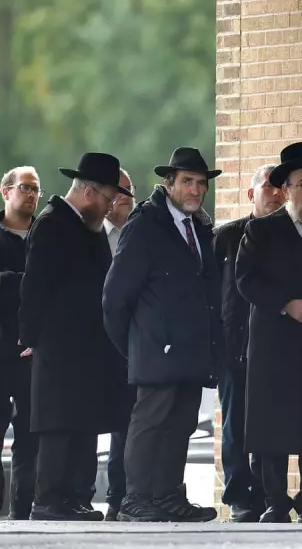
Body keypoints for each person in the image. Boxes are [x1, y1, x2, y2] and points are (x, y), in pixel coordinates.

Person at [103, 147, 223, 523]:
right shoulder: (145, 224)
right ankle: (136, 499)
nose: (196, 190)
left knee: (182, 424)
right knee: (151, 422)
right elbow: (115, 296)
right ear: (168, 183)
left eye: (201, 183)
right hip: (156, 349)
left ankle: (168, 496)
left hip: (191, 349)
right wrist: (136, 347)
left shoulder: (200, 227)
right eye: (187, 182)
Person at [19, 153, 133, 521]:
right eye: (107, 198)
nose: (109, 206)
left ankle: (75, 496)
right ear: (88, 192)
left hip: (89, 346)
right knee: (59, 421)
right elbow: (34, 286)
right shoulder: (53, 224)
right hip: (58, 343)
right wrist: (29, 335)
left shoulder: (91, 226)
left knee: (84, 420)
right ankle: (50, 498)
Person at [237, 142, 302, 522]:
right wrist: (286, 304)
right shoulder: (261, 230)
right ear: (286, 189)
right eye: (301, 184)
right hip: (275, 342)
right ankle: (276, 502)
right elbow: (245, 279)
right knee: (273, 426)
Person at [212, 164, 282, 522]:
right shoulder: (225, 236)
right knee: (235, 424)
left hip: (276, 346)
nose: (276, 192)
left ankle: (272, 496)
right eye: (268, 185)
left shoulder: (289, 236)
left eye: (280, 187)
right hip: (234, 343)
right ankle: (241, 498)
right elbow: (213, 292)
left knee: (271, 423)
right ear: (251, 194)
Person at [0, 166, 41, 520]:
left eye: (37, 190)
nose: (32, 195)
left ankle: (22, 513)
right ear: (6, 191)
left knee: (31, 439)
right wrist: (25, 280)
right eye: (26, 188)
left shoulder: (45, 236)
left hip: (33, 353)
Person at [100, 167, 137, 521]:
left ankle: (125, 497)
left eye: (131, 191)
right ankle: (113, 497)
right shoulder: (95, 235)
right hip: (99, 345)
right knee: (111, 423)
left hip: (134, 344)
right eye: (120, 192)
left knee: (129, 426)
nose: (127, 198)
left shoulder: (139, 235)